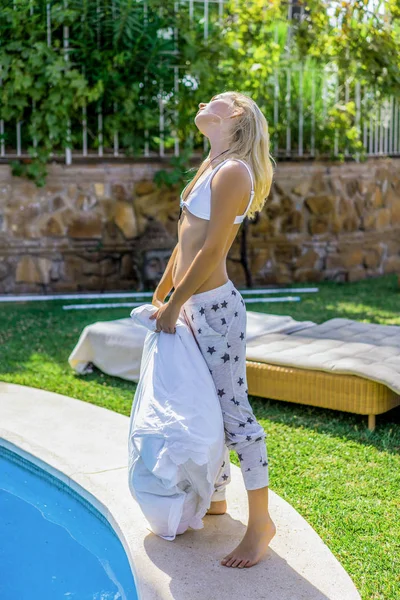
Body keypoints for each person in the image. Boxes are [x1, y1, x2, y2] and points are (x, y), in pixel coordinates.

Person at [149, 90, 276, 569]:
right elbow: (185, 240)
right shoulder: (211, 163)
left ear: (236, 115)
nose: (203, 101)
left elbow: (212, 251)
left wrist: (176, 303)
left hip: (215, 310)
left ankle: (260, 523)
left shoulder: (234, 172)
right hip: (191, 305)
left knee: (236, 414)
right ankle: (217, 497)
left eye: (215, 99)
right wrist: (164, 294)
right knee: (205, 405)